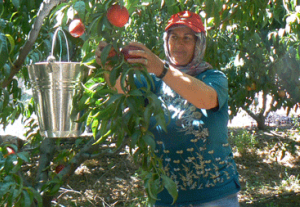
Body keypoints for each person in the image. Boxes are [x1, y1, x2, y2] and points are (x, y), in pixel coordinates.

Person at [95, 11, 241, 207]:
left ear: (199, 44)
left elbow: (206, 99)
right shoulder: (153, 81)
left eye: (187, 38)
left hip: (214, 195)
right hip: (167, 196)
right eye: (174, 37)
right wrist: (108, 65)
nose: (179, 44)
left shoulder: (213, 78)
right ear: (166, 42)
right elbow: (123, 87)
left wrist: (161, 69)